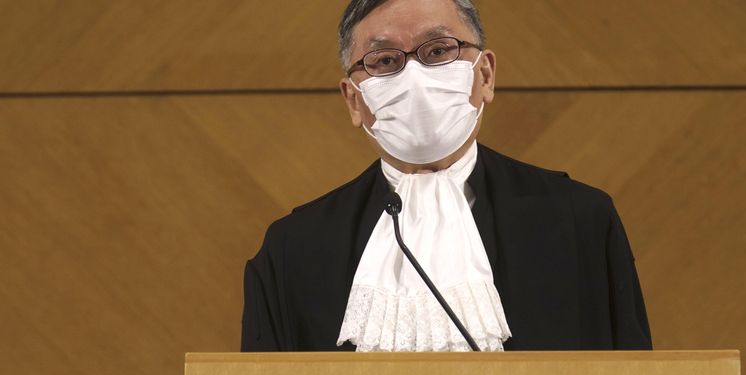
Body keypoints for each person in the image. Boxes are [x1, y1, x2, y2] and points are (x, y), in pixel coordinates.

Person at [241, 0, 651, 352]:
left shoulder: (581, 220)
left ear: (485, 76)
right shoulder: (293, 248)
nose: (414, 77)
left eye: (438, 51)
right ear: (353, 100)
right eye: (384, 61)